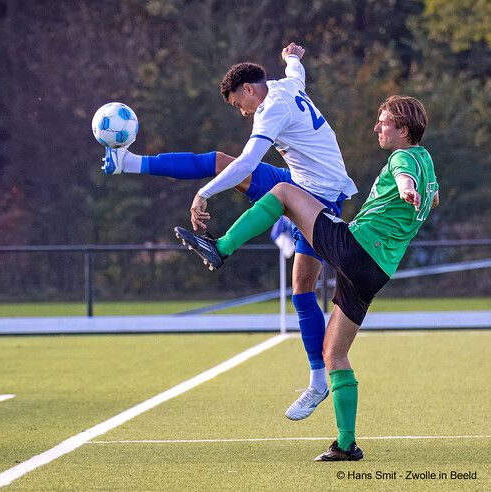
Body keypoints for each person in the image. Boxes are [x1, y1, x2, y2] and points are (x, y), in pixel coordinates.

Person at [102, 42, 358, 420]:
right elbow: (295, 72)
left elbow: (249, 163)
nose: (242, 112)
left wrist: (203, 193)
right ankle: (129, 161)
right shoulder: (285, 86)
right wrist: (293, 57)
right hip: (303, 182)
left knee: (302, 285)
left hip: (321, 198)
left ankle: (318, 380)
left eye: (239, 104)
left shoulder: (271, 110)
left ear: (250, 89)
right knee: (223, 161)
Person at [175, 95, 438, 461]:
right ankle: (347, 444)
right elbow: (432, 196)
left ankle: (220, 247)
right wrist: (417, 195)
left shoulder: (404, 158)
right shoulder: (427, 161)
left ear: (403, 130)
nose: (377, 127)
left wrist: (406, 187)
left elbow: (403, 176)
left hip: (357, 248)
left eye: (383, 122)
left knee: (283, 191)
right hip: (375, 272)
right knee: (335, 353)